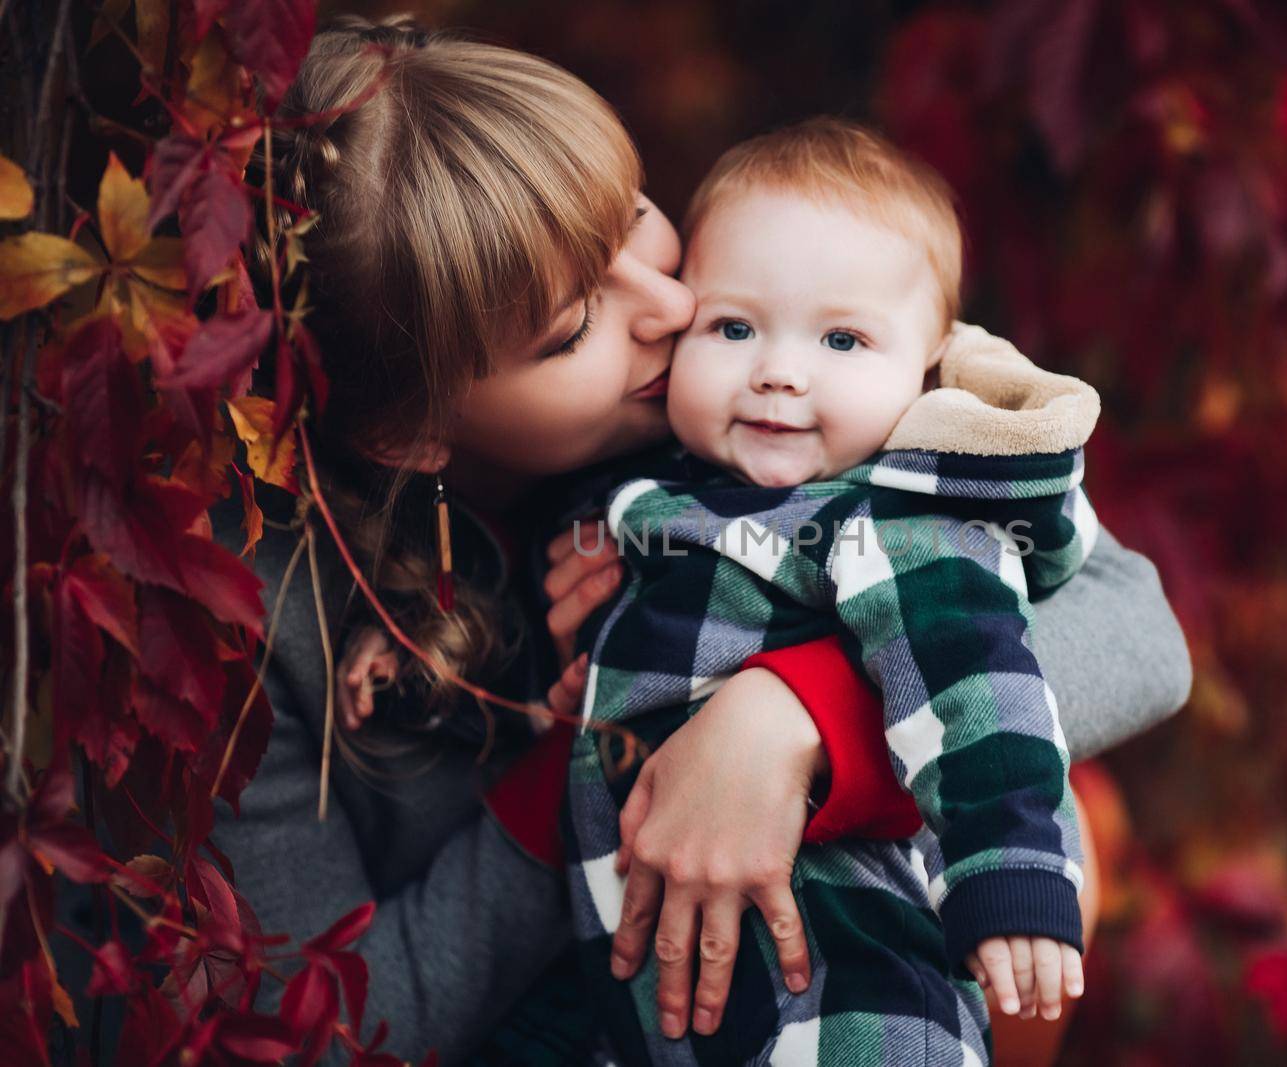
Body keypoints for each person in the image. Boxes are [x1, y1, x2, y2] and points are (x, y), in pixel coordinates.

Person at [212, 16, 1192, 1067]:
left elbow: (1132, 623)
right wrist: (609, 759)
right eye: (571, 325)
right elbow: (331, 1029)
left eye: (631, 218)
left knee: (1062, 830)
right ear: (409, 426)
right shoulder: (259, 624)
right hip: (587, 1016)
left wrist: (786, 716)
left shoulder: (795, 367)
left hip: (856, 984)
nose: (673, 303)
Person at [538, 119, 1099, 1065]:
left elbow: (982, 690)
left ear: (926, 371)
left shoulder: (894, 518)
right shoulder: (663, 499)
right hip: (653, 997)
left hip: (846, 986)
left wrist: (1011, 875)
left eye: (842, 337)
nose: (779, 370)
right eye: (733, 326)